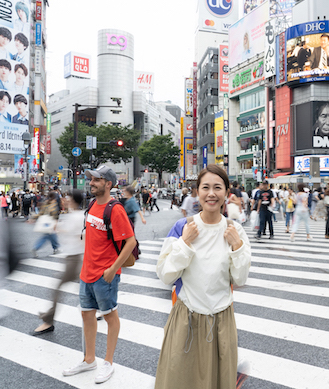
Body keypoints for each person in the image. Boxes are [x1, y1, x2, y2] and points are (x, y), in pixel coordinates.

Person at [155, 165, 251, 389]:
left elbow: (240, 278)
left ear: (227, 193)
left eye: (218, 188)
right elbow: (165, 274)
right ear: (197, 192)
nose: (211, 193)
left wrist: (237, 246)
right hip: (186, 318)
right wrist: (185, 243)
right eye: (205, 187)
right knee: (179, 380)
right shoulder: (182, 227)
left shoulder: (234, 230)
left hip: (221, 321)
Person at [62, 165, 137, 384]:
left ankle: (108, 362)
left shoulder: (115, 210)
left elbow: (130, 241)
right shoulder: (93, 204)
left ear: (108, 184)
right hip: (87, 272)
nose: (91, 182)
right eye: (91, 179)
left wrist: (113, 269)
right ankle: (89, 359)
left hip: (105, 275)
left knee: (110, 316)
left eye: (96, 179)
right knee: (87, 314)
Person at [33, 189, 85, 335]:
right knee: (85, 288)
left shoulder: (76, 217)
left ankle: (48, 320)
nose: (64, 200)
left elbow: (83, 237)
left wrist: (58, 228)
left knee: (57, 288)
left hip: (75, 259)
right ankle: (101, 309)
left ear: (74, 200)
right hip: (74, 258)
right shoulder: (75, 215)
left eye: (67, 197)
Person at [31, 191, 61, 257]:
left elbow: (41, 213)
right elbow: (55, 215)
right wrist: (56, 223)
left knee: (50, 235)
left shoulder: (45, 203)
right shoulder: (54, 204)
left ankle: (56, 248)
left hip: (45, 222)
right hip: (51, 222)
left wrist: (33, 217)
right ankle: (36, 247)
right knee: (48, 236)